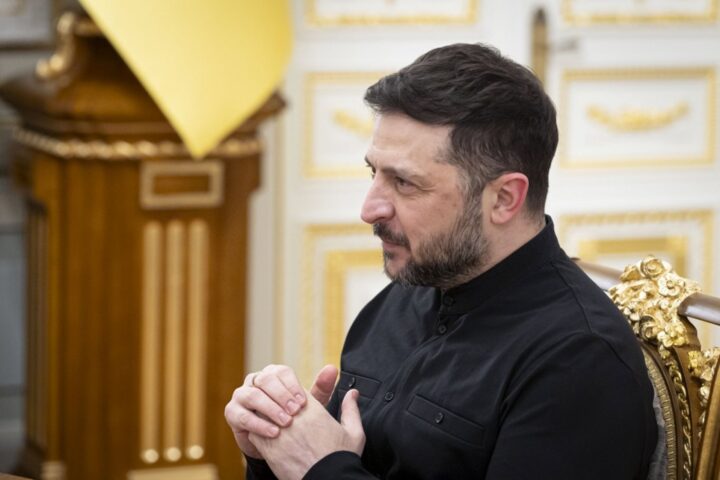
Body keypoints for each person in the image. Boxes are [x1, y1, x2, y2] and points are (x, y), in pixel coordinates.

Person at [225, 43, 658, 479]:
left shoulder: (578, 361)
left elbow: (332, 469)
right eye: (374, 172)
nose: (369, 209)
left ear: (504, 198)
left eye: (404, 183)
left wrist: (321, 468)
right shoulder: (405, 293)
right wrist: (273, 451)